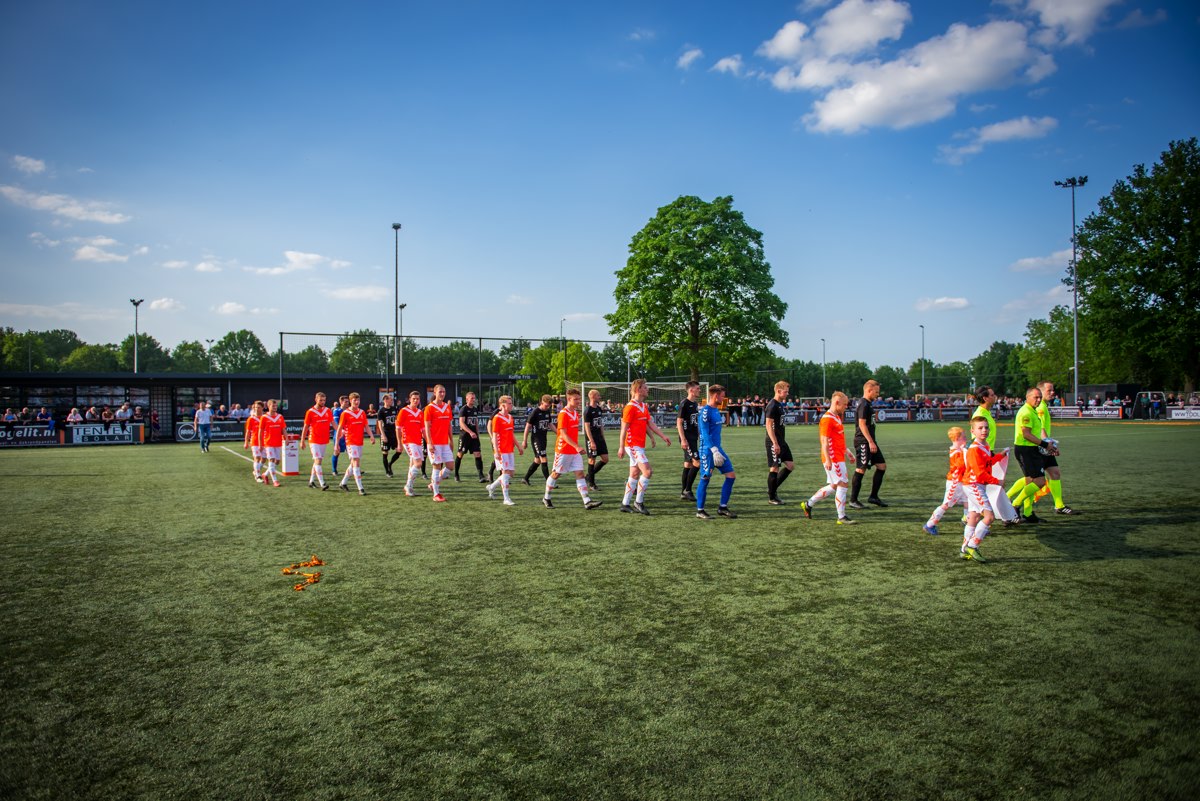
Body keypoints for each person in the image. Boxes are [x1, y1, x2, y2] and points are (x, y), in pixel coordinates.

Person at [799, 391, 857, 524]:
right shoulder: (827, 419)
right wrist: (828, 460)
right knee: (843, 483)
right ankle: (841, 517)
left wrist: (848, 452)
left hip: (838, 456)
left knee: (834, 485)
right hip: (833, 457)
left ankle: (808, 504)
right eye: (844, 404)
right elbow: (824, 441)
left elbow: (838, 439)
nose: (846, 407)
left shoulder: (836, 417)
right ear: (837, 403)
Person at [616, 378, 671, 515]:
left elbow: (650, 423)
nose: (647, 389)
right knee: (647, 472)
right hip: (632, 445)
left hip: (639, 445)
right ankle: (638, 502)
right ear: (638, 390)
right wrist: (621, 447)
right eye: (645, 387)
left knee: (634, 474)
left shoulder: (643, 406)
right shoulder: (630, 407)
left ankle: (625, 504)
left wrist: (662, 436)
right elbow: (624, 429)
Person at [542, 388, 602, 510]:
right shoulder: (563, 414)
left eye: (579, 399)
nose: (578, 401)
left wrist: (576, 447)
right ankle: (546, 497)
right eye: (576, 399)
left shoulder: (575, 413)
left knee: (580, 473)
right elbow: (563, 434)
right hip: (563, 450)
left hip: (574, 451)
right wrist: (577, 446)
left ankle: (587, 501)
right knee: (556, 474)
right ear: (569, 399)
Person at [1026, 381, 1079, 516]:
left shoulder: (1042, 406)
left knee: (1054, 473)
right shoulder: (1040, 407)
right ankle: (1015, 503)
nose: (1052, 392)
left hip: (1044, 447)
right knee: (1033, 480)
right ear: (1040, 391)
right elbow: (1041, 429)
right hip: (1040, 448)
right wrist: (1049, 446)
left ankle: (1059, 506)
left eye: (1052, 390)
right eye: (1049, 390)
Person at [1005, 386, 1052, 523]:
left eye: (1040, 397)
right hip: (1026, 450)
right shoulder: (1026, 412)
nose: (1038, 400)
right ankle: (1015, 505)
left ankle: (1028, 512)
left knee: (1030, 480)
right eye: (1035, 397)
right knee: (1040, 481)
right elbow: (1026, 434)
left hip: (1030, 449)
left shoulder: (1032, 410)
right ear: (1027, 397)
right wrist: (1045, 445)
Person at [962, 417, 1006, 562]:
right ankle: (972, 546)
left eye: (986, 427)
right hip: (974, 484)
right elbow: (980, 472)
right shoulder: (974, 449)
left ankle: (964, 549)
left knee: (974, 516)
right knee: (989, 517)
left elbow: (987, 463)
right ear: (972, 431)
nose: (984, 430)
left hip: (975, 484)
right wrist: (997, 481)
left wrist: (1000, 456)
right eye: (980, 428)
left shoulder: (984, 445)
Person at [695, 384, 737, 519]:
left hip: (718, 450)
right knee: (705, 478)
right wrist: (713, 450)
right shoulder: (705, 412)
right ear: (715, 395)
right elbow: (704, 433)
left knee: (731, 476)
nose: (724, 399)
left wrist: (717, 450)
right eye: (722, 396)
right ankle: (700, 510)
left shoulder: (716, 410)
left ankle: (722, 507)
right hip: (707, 451)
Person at [923, 426, 969, 536]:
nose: (966, 438)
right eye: (964, 437)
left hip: (962, 481)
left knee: (968, 503)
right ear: (957, 439)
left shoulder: (959, 450)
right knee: (946, 504)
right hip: (955, 482)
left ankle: (970, 526)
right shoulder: (955, 452)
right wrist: (964, 452)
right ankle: (929, 524)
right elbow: (960, 465)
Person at [850, 379, 887, 508]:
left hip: (870, 441)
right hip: (863, 441)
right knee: (861, 468)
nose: (878, 394)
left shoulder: (868, 404)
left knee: (881, 466)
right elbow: (861, 424)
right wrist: (870, 441)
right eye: (876, 392)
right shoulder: (863, 404)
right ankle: (853, 500)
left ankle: (873, 497)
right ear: (869, 390)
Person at [486, 395, 523, 506]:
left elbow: (511, 434)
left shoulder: (510, 417)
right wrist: (496, 451)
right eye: (509, 403)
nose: (511, 405)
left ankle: (491, 487)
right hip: (501, 450)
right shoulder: (497, 418)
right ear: (502, 405)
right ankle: (506, 498)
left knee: (510, 474)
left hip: (509, 449)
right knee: (505, 473)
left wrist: (518, 446)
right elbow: (494, 436)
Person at [334, 392, 374, 495]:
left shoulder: (362, 412)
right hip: (350, 441)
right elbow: (339, 428)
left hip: (359, 441)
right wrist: (336, 443)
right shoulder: (345, 413)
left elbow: (366, 426)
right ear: (350, 401)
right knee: (356, 462)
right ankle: (360, 488)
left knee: (353, 463)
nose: (356, 402)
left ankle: (343, 483)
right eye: (354, 400)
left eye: (358, 400)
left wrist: (371, 436)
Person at [764, 380, 794, 505]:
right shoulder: (772, 405)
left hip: (782, 441)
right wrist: (775, 443)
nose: (787, 394)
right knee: (774, 467)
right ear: (778, 391)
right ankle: (772, 497)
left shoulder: (780, 404)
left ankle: (772, 488)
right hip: (774, 442)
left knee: (790, 466)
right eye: (785, 391)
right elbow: (768, 425)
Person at [423, 384, 454, 502]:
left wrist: (451, 440)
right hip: (434, 443)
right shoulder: (429, 408)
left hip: (445, 443)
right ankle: (436, 494)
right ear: (435, 393)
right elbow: (426, 427)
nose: (442, 394)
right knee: (437, 466)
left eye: (444, 392)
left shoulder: (447, 407)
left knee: (450, 466)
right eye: (440, 392)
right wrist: (429, 443)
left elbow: (449, 425)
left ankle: (433, 484)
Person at [299, 392, 333, 490]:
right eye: (320, 400)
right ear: (316, 399)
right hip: (313, 439)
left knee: (318, 461)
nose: (323, 402)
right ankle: (322, 483)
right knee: (318, 460)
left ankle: (311, 481)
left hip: (324, 439)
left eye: (324, 400)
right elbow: (305, 427)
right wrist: (302, 440)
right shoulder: (310, 412)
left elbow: (333, 422)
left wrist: (340, 431)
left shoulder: (327, 410)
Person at [676, 381, 702, 502]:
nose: (699, 390)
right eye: (698, 388)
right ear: (691, 390)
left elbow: (695, 422)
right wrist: (683, 440)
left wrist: (699, 434)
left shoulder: (695, 404)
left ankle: (683, 492)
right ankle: (688, 490)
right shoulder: (684, 404)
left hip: (693, 437)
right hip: (687, 439)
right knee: (697, 463)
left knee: (688, 464)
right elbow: (679, 423)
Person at [397, 391, 426, 497]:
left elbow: (423, 430)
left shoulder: (420, 413)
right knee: (418, 463)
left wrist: (429, 442)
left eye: (417, 399)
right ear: (409, 399)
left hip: (418, 441)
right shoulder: (403, 411)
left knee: (413, 464)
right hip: (408, 441)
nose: (415, 400)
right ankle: (408, 486)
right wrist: (399, 443)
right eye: (413, 398)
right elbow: (398, 428)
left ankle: (409, 488)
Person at [521, 395, 554, 486]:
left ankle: (525, 478)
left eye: (549, 406)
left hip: (544, 439)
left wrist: (558, 433)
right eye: (546, 405)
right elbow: (527, 427)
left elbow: (550, 424)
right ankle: (549, 482)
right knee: (543, 458)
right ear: (542, 402)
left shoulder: (547, 412)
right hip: (536, 439)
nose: (547, 407)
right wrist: (524, 440)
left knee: (537, 460)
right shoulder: (535, 412)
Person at [455, 391, 487, 483]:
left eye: (474, 398)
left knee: (478, 453)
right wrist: (470, 432)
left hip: (474, 436)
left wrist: (477, 434)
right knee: (460, 454)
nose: (473, 399)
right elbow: (461, 423)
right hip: (465, 436)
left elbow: (476, 422)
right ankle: (456, 474)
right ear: (467, 399)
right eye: (471, 398)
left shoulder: (475, 409)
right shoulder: (463, 409)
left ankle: (481, 475)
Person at [584, 389, 610, 491]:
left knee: (605, 459)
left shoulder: (599, 409)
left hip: (599, 437)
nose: (600, 397)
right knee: (592, 460)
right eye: (598, 395)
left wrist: (603, 436)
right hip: (592, 438)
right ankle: (592, 483)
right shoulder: (587, 410)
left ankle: (588, 476)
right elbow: (587, 427)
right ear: (593, 397)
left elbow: (600, 424)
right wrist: (591, 441)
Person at [259, 399, 287, 487]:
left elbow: (283, 429)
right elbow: (260, 431)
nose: (275, 407)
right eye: (273, 406)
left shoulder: (280, 417)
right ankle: (275, 480)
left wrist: (286, 438)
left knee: (277, 461)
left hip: (278, 442)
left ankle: (265, 474)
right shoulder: (264, 417)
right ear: (268, 406)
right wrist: (260, 444)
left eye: (276, 406)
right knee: (271, 460)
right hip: (269, 443)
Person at [376, 393, 401, 478]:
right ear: (385, 400)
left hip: (394, 434)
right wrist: (383, 435)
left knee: (399, 451)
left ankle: (390, 464)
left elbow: (397, 421)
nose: (392, 401)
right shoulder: (381, 411)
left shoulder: (394, 409)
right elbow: (380, 424)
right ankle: (387, 471)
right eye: (390, 399)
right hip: (386, 434)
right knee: (385, 453)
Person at [243, 400, 265, 483]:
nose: (256, 409)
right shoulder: (251, 419)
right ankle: (258, 476)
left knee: (264, 459)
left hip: (264, 441)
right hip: (255, 441)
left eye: (258, 407)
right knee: (257, 458)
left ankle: (256, 471)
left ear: (262, 408)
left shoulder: (265, 417)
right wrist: (246, 442)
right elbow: (248, 431)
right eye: (255, 407)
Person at [971, 386, 999, 451]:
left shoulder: (987, 412)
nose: (995, 397)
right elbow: (976, 437)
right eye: (992, 395)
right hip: (982, 451)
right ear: (985, 398)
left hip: (987, 450)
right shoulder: (980, 415)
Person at [330, 395, 349, 476]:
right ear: (341, 402)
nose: (347, 403)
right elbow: (336, 423)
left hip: (348, 435)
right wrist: (341, 430)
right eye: (346, 402)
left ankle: (355, 468)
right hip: (339, 435)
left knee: (352, 452)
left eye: (348, 402)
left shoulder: (349, 410)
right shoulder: (337, 411)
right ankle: (334, 470)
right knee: (337, 452)